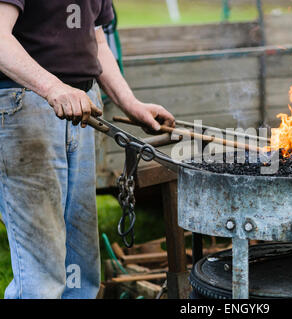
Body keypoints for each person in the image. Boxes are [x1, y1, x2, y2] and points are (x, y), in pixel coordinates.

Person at [0, 0, 175, 299]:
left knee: (80, 263)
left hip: (82, 109)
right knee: (41, 273)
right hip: (25, 104)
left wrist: (129, 102)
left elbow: (97, 39)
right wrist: (54, 88)